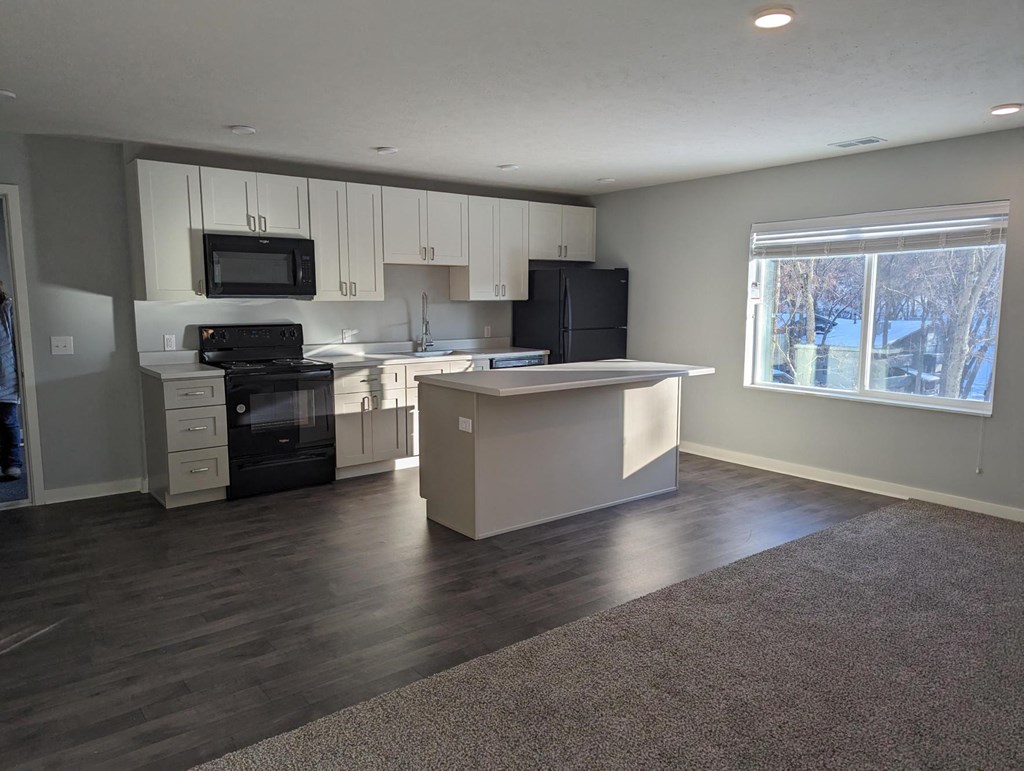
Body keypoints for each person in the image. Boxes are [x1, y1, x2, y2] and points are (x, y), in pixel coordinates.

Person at [0, 280, 23, 479]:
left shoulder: (7, 307)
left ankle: (12, 463)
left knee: (8, 422)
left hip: (6, 377)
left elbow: (18, 342)